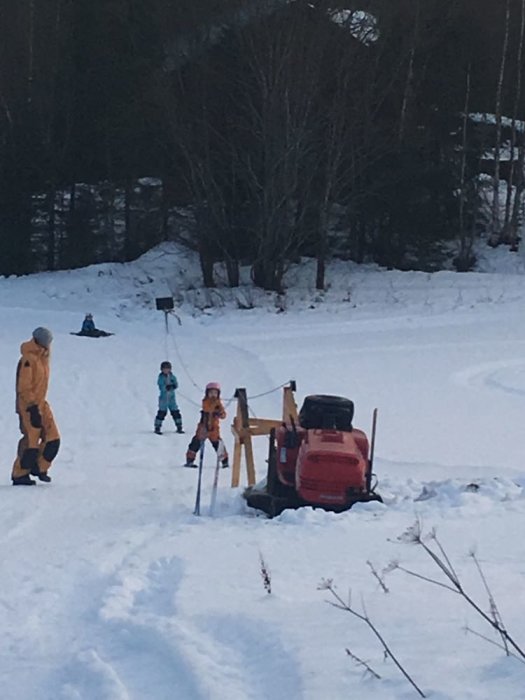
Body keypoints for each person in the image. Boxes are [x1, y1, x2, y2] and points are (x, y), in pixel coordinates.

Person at [11, 327, 60, 485]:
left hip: (41, 403)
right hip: (28, 406)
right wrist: (32, 408)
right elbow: (24, 387)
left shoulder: (43, 358)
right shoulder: (29, 359)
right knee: (31, 441)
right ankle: (20, 474)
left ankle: (39, 467)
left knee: (53, 438)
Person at [185, 382, 229, 468]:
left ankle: (224, 461)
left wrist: (220, 413)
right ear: (207, 393)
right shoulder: (205, 401)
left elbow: (223, 415)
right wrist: (215, 409)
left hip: (214, 429)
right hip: (203, 427)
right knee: (196, 442)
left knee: (218, 444)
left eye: (215, 393)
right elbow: (207, 408)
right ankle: (190, 459)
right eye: (211, 393)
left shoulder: (218, 403)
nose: (213, 395)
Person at [154, 361, 184, 434]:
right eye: (164, 369)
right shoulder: (161, 377)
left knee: (175, 412)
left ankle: (179, 426)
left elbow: (176, 384)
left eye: (168, 369)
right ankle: (157, 427)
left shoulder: (172, 376)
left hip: (171, 398)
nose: (166, 370)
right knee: (162, 412)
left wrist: (173, 386)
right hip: (163, 399)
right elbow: (161, 386)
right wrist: (166, 387)